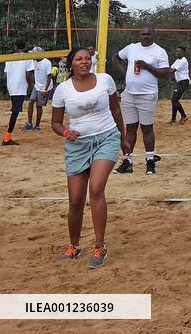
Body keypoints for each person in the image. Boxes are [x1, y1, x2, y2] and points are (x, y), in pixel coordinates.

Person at [51, 47, 130, 268]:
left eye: (87, 58)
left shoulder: (105, 80)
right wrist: (66, 132)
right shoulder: (63, 90)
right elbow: (55, 123)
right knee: (75, 200)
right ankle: (74, 246)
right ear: (71, 64)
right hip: (77, 144)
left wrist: (123, 138)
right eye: (79, 59)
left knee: (96, 188)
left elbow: (116, 110)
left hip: (106, 137)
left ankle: (100, 246)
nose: (84, 62)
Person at [110, 26, 171, 175]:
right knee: (129, 128)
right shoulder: (131, 48)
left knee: (146, 128)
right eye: (143, 34)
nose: (145, 37)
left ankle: (150, 161)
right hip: (129, 94)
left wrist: (146, 66)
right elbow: (115, 57)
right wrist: (125, 73)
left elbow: (165, 74)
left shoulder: (159, 51)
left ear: (153, 35)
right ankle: (127, 161)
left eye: (148, 34)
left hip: (147, 94)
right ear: (139, 35)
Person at [2, 50, 34, 146]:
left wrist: (8, 85)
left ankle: (7, 138)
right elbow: (29, 74)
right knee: (15, 112)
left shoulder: (9, 57)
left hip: (12, 87)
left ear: (15, 47)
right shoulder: (27, 57)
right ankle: (7, 138)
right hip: (20, 88)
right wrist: (30, 85)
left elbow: (5, 75)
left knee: (15, 112)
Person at [24, 48, 52, 132]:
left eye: (34, 54)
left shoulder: (47, 62)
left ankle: (37, 125)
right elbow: (32, 72)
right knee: (31, 102)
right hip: (37, 86)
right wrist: (32, 84)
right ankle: (29, 124)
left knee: (39, 106)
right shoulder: (34, 61)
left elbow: (49, 76)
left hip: (44, 87)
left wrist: (46, 90)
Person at [170, 46, 190, 124]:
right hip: (180, 82)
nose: (176, 53)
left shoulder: (183, 61)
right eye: (176, 51)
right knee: (174, 100)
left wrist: (159, 73)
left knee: (174, 100)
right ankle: (173, 119)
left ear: (183, 53)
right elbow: (170, 69)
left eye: (178, 51)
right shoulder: (178, 60)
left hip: (184, 82)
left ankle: (183, 116)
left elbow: (172, 70)